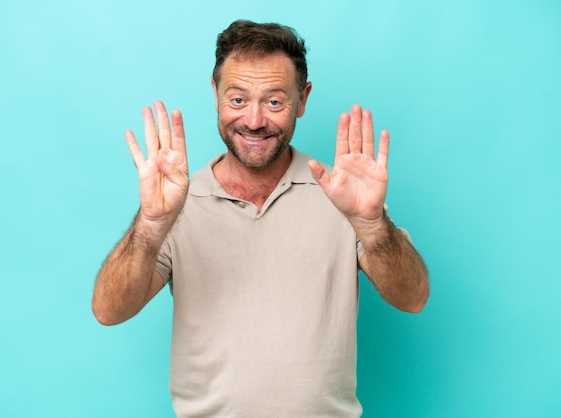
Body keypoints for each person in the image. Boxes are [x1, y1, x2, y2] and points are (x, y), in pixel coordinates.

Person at [92, 19, 429, 417]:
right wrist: (150, 224)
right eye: (237, 100)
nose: (253, 121)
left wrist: (372, 225)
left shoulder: (342, 195)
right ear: (215, 93)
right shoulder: (176, 202)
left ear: (302, 100)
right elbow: (109, 311)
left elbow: (413, 298)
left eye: (274, 102)